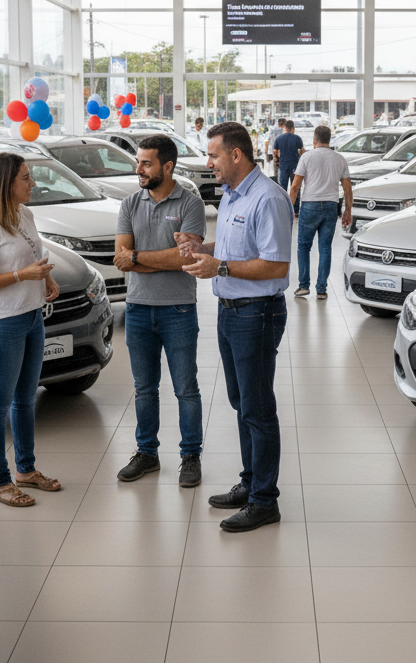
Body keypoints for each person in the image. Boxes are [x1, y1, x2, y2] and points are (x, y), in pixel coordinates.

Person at [178, 121, 291, 533]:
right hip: (230, 311)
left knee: (258, 409)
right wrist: (201, 249)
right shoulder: (230, 196)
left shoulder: (268, 198)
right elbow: (230, 250)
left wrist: (219, 266)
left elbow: (277, 265)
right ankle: (250, 483)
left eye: (213, 156)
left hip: (256, 314)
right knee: (241, 402)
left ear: (236, 155)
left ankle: (265, 500)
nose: (209, 163)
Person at [0, 152, 63, 507]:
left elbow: (33, 254)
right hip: (1, 323)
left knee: (25, 399)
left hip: (31, 314)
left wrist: (46, 276)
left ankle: (25, 470)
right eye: (25, 177)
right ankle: (0, 481)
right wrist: (24, 276)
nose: (32, 183)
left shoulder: (25, 214)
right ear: (6, 183)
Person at [112, 134, 208, 486]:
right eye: (138, 162)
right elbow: (121, 260)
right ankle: (147, 453)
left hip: (178, 309)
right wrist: (160, 260)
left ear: (167, 167)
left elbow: (185, 259)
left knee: (186, 387)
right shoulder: (129, 204)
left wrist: (138, 257)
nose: (138, 169)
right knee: (144, 388)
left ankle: (190, 456)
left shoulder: (190, 204)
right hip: (137, 309)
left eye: (146, 163)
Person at [289, 124, 353, 299]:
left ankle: (303, 286)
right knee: (325, 248)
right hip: (331, 206)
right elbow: (347, 189)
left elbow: (295, 186)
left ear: (314, 140)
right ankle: (322, 289)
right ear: (329, 139)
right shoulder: (339, 159)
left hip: (310, 205)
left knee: (303, 246)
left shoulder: (307, 157)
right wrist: (347, 211)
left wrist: (287, 209)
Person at [273, 119, 304, 193]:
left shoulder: (279, 138)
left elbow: (275, 152)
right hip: (295, 166)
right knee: (295, 188)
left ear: (285, 128)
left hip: (283, 166)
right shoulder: (297, 138)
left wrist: (276, 161)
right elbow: (302, 150)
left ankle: (283, 204)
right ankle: (295, 204)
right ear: (293, 128)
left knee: (282, 189)